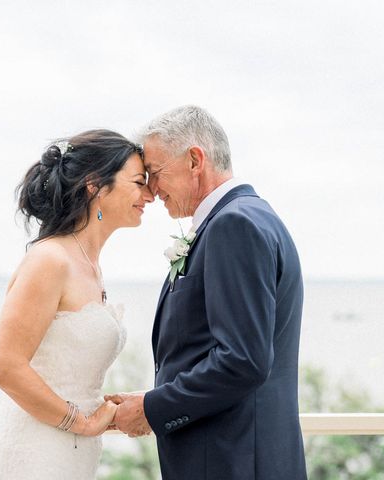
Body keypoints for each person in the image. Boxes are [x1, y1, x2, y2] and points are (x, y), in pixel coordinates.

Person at [106, 106, 308, 479]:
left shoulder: (234, 225)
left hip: (232, 464)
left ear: (195, 160)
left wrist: (153, 408)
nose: (151, 189)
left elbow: (242, 361)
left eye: (155, 172)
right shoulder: (249, 217)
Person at [0, 129, 154, 479]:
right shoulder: (51, 260)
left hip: (73, 456)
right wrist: (83, 423)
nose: (149, 195)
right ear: (95, 185)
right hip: (35, 454)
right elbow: (4, 365)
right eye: (138, 182)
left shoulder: (90, 265)